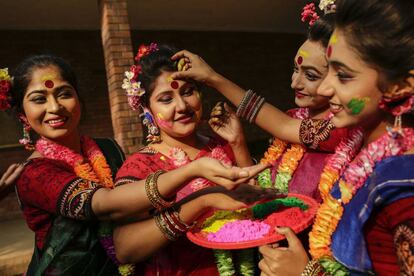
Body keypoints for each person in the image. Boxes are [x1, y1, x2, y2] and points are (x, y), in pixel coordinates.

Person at [1, 55, 265, 275]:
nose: (55, 107)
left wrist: (238, 143)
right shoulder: (34, 174)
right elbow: (106, 205)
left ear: (78, 98)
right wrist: (196, 185)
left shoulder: (105, 148)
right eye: (39, 99)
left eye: (64, 94)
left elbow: (256, 203)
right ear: (23, 116)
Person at [257, 0, 414, 274]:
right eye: (328, 70)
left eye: (342, 75)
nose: (326, 88)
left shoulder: (404, 184)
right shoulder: (360, 148)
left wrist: (306, 273)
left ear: (399, 86)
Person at [110, 44, 272, 275]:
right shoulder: (140, 166)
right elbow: (125, 248)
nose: (182, 106)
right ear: (146, 109)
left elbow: (259, 210)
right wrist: (199, 203)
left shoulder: (220, 147)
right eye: (166, 99)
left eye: (187, 92)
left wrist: (238, 143)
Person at [171, 5, 349, 201]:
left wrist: (213, 78)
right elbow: (262, 193)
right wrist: (238, 142)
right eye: (295, 69)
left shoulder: (341, 129)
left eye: (311, 75)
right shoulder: (293, 116)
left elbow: (283, 126)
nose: (294, 82)